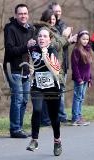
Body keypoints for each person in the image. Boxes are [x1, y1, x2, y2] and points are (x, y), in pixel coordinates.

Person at [26, 27, 64, 156]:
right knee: (37, 110)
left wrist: (44, 54)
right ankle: (34, 140)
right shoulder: (33, 49)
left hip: (52, 88)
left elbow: (55, 71)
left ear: (49, 39)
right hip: (37, 87)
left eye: (45, 36)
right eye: (40, 36)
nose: (41, 38)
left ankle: (57, 141)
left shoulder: (53, 51)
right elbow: (28, 56)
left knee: (54, 117)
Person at [3, 4, 36, 138]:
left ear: (28, 15)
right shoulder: (10, 29)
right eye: (20, 13)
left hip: (26, 69)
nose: (23, 16)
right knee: (17, 99)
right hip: (13, 69)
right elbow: (10, 51)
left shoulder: (31, 29)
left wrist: (33, 64)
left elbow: (32, 50)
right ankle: (15, 129)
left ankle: (20, 128)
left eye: (25, 13)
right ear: (16, 15)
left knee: (24, 100)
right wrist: (26, 46)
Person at [49, 2, 72, 123]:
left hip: (64, 62)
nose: (58, 13)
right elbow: (58, 44)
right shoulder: (50, 27)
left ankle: (61, 116)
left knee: (61, 90)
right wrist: (67, 38)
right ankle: (59, 116)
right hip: (54, 63)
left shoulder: (63, 24)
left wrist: (71, 39)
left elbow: (65, 42)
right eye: (55, 11)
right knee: (56, 91)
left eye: (59, 11)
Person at [71, 30, 92, 126]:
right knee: (77, 97)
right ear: (79, 39)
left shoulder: (88, 49)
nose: (85, 41)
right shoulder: (76, 50)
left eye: (87, 39)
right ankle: (75, 118)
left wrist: (89, 79)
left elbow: (88, 67)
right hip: (79, 79)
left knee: (82, 98)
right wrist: (79, 79)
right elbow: (74, 66)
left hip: (86, 79)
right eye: (83, 39)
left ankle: (79, 116)